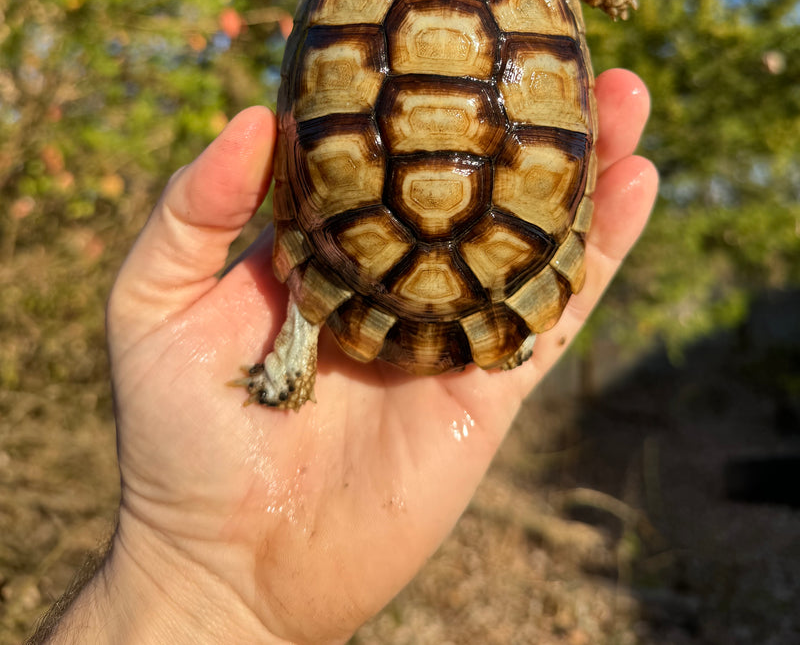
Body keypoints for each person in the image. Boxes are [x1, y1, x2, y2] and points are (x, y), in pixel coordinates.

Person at [29, 68, 658, 645]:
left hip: (378, 259)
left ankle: (311, 347)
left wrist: (189, 587)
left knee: (312, 293)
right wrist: (193, 573)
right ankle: (497, 321)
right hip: (498, 270)